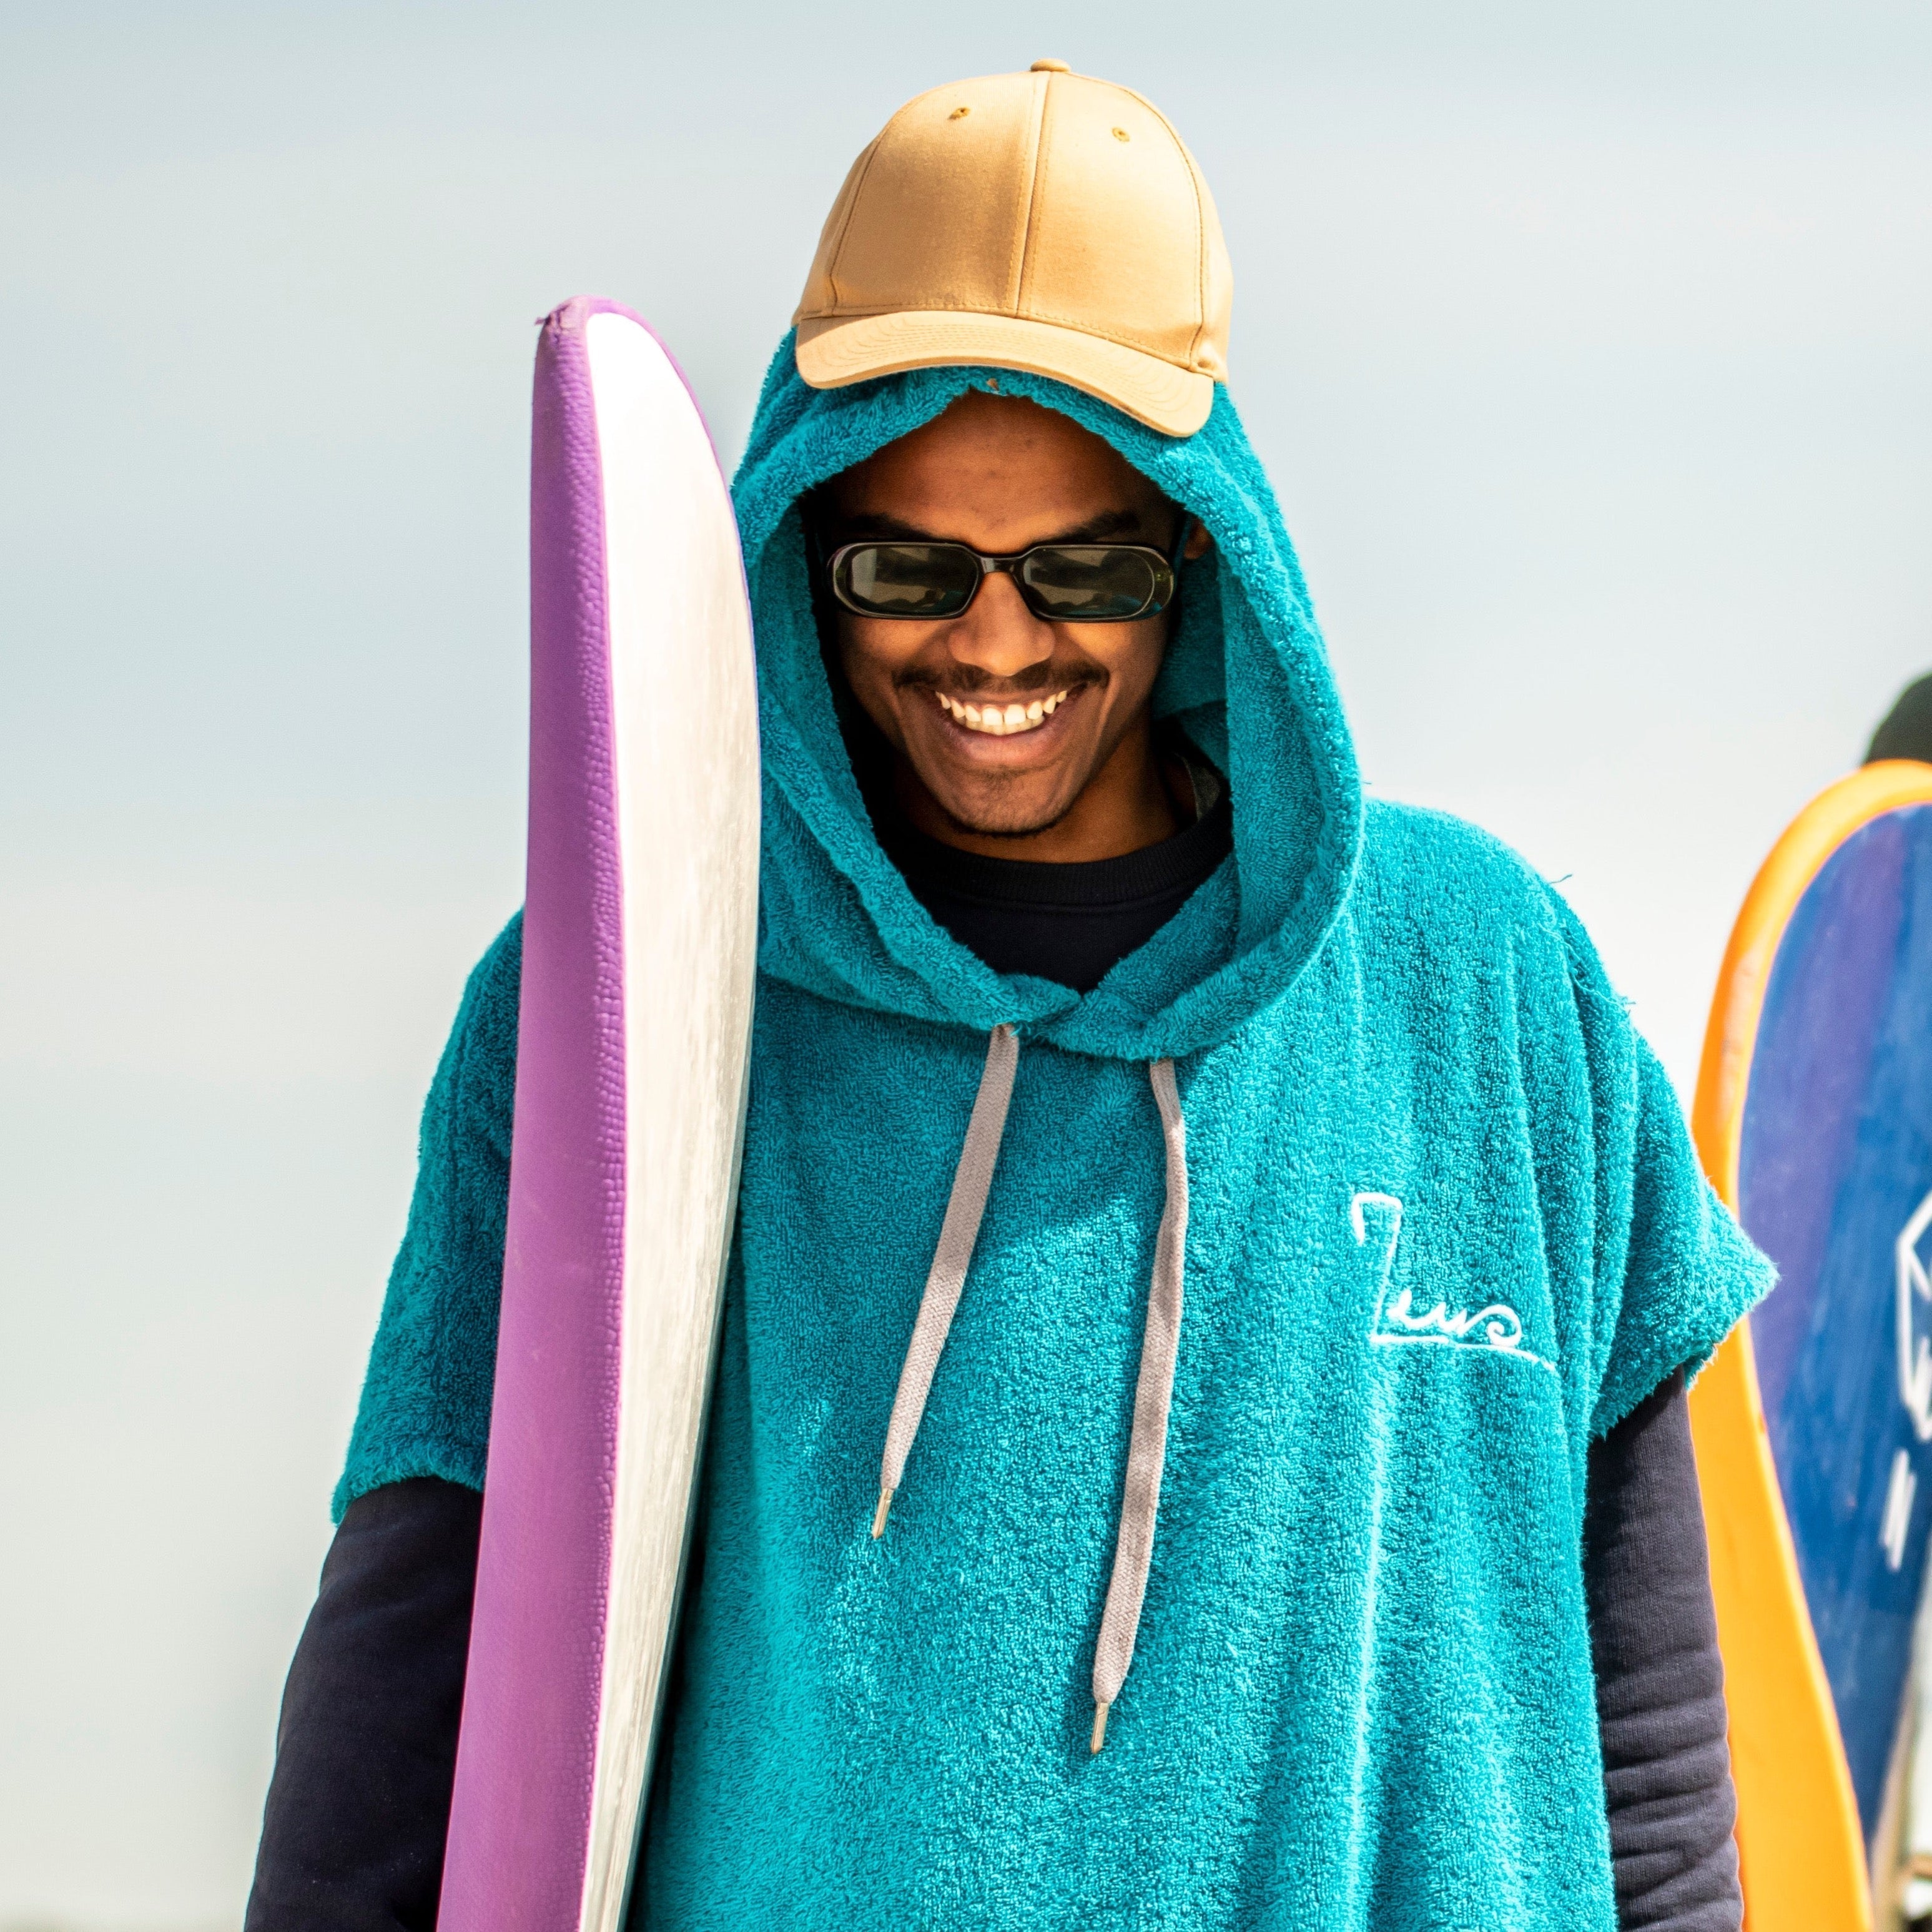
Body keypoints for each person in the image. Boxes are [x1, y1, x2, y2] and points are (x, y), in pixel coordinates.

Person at [245, 62, 1769, 1931]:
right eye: (908, 566)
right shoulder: (631, 1011)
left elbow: (1652, 1753)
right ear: (799, 553)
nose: (993, 641)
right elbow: (416, 1678)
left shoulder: (1482, 987)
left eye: (1082, 569)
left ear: (1201, 555)